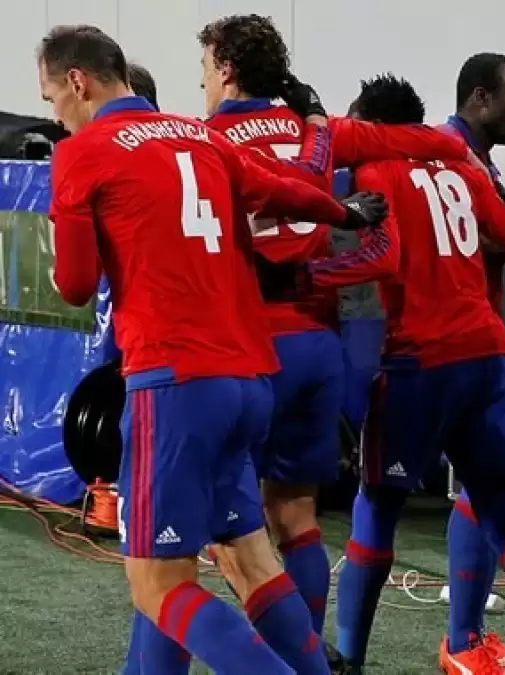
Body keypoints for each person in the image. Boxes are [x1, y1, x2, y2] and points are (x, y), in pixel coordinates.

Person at [40, 24, 381, 675]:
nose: (56, 115)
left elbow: (77, 285)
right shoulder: (199, 135)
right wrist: (347, 214)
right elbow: (280, 189)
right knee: (252, 561)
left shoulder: (83, 153)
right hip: (249, 379)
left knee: (159, 584)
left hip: (175, 382)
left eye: (52, 98)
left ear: (77, 82)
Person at [196, 15, 482, 651]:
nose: (204, 82)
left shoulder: (206, 140)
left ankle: (291, 653)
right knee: (296, 515)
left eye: (206, 69)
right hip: (322, 346)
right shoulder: (310, 129)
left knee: (228, 530)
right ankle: (311, 646)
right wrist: (462, 154)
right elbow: (413, 138)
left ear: (226, 70)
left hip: (251, 349)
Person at [298, 73, 505, 675]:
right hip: (488, 357)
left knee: (376, 507)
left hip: (420, 361)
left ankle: (350, 662)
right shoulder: (463, 167)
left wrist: (307, 278)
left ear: (370, 126)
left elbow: (383, 255)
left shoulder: (377, 168)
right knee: (503, 514)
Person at [437, 52, 505, 673]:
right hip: (452, 350)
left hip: (470, 345)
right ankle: (461, 641)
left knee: (485, 486)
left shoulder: (474, 158)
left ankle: (466, 638)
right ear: (481, 98)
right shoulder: (451, 156)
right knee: (384, 498)